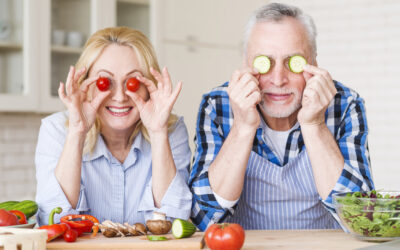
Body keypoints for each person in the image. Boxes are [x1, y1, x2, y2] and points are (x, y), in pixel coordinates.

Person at [189, 3, 374, 231]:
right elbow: (202, 219)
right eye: (264, 63)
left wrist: (314, 124)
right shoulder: (217, 106)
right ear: (246, 64)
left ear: (314, 63)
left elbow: (362, 218)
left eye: (293, 63)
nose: (278, 80)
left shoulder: (345, 104)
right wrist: (242, 128)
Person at [35, 27, 192, 225]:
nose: (120, 97)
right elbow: (53, 222)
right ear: (85, 85)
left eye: (133, 82)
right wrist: (77, 131)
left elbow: (174, 222)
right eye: (104, 82)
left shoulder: (171, 131)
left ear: (149, 87)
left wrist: (158, 132)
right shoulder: (56, 130)